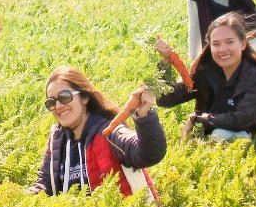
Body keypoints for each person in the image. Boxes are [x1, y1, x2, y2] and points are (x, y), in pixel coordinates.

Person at [25, 67, 167, 198]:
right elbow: (44, 185)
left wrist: (144, 115)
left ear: (84, 97)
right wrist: (15, 197)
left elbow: (148, 154)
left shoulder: (109, 132)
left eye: (64, 97)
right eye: (51, 102)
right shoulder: (57, 140)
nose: (58, 106)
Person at [156, 13, 256, 147]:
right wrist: (165, 63)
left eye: (230, 42)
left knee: (221, 134)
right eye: (216, 44)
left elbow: (242, 119)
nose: (223, 49)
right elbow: (166, 99)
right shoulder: (206, 73)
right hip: (217, 135)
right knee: (218, 134)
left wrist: (199, 120)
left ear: (242, 44)